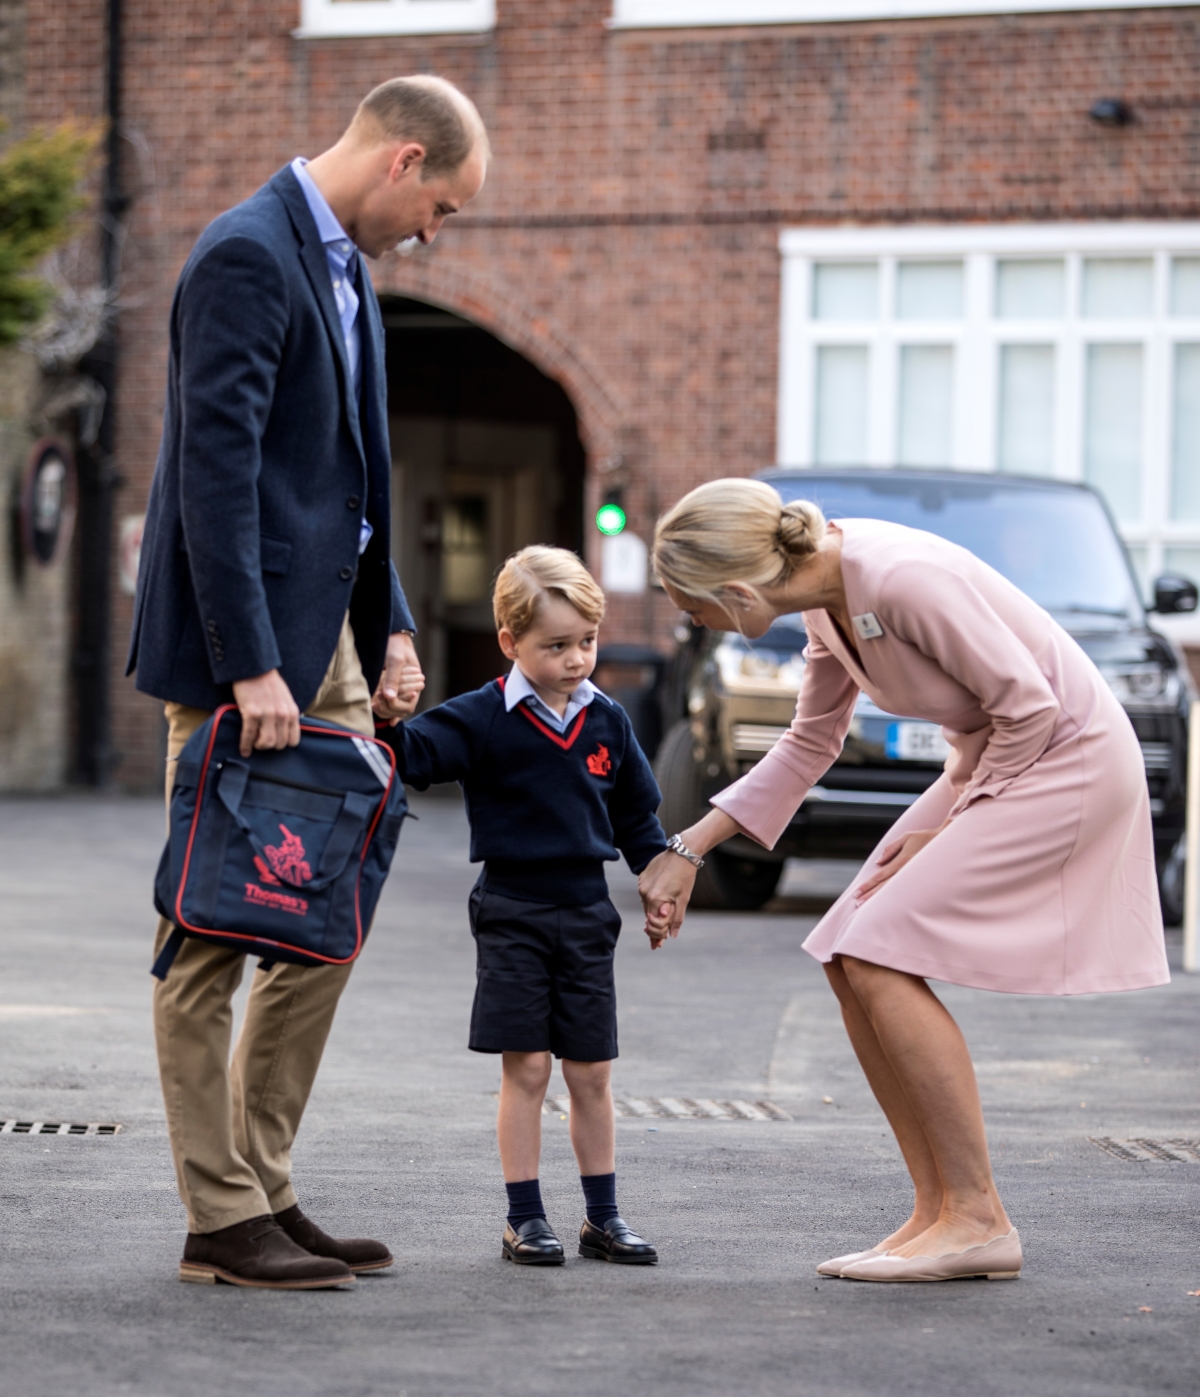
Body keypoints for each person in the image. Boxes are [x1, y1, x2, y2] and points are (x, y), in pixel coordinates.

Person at [126, 76, 488, 1290]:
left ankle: (265, 1185)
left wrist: (386, 629)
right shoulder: (244, 253)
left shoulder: (348, 275)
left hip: (328, 642)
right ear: (400, 160)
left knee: (318, 919)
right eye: (441, 204)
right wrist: (248, 665)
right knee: (213, 923)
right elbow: (212, 480)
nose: (437, 231)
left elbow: (355, 482)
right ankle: (216, 1214)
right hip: (252, 658)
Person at [638, 478, 1169, 1284]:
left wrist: (947, 829)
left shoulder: (898, 576)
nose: (694, 622)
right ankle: (938, 1211)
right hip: (998, 756)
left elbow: (1029, 708)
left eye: (693, 607)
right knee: (846, 951)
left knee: (881, 950)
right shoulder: (825, 598)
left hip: (1067, 758)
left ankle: (979, 1216)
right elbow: (811, 740)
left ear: (740, 593)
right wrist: (692, 845)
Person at [383, 546, 664, 1267]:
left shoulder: (608, 721)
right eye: (557, 646)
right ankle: (525, 1217)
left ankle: (602, 1216)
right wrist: (387, 712)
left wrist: (657, 883)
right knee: (529, 1069)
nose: (577, 660)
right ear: (510, 642)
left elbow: (637, 819)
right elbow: (406, 756)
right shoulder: (482, 718)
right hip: (512, 911)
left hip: (587, 913)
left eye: (587, 643)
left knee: (592, 1072)